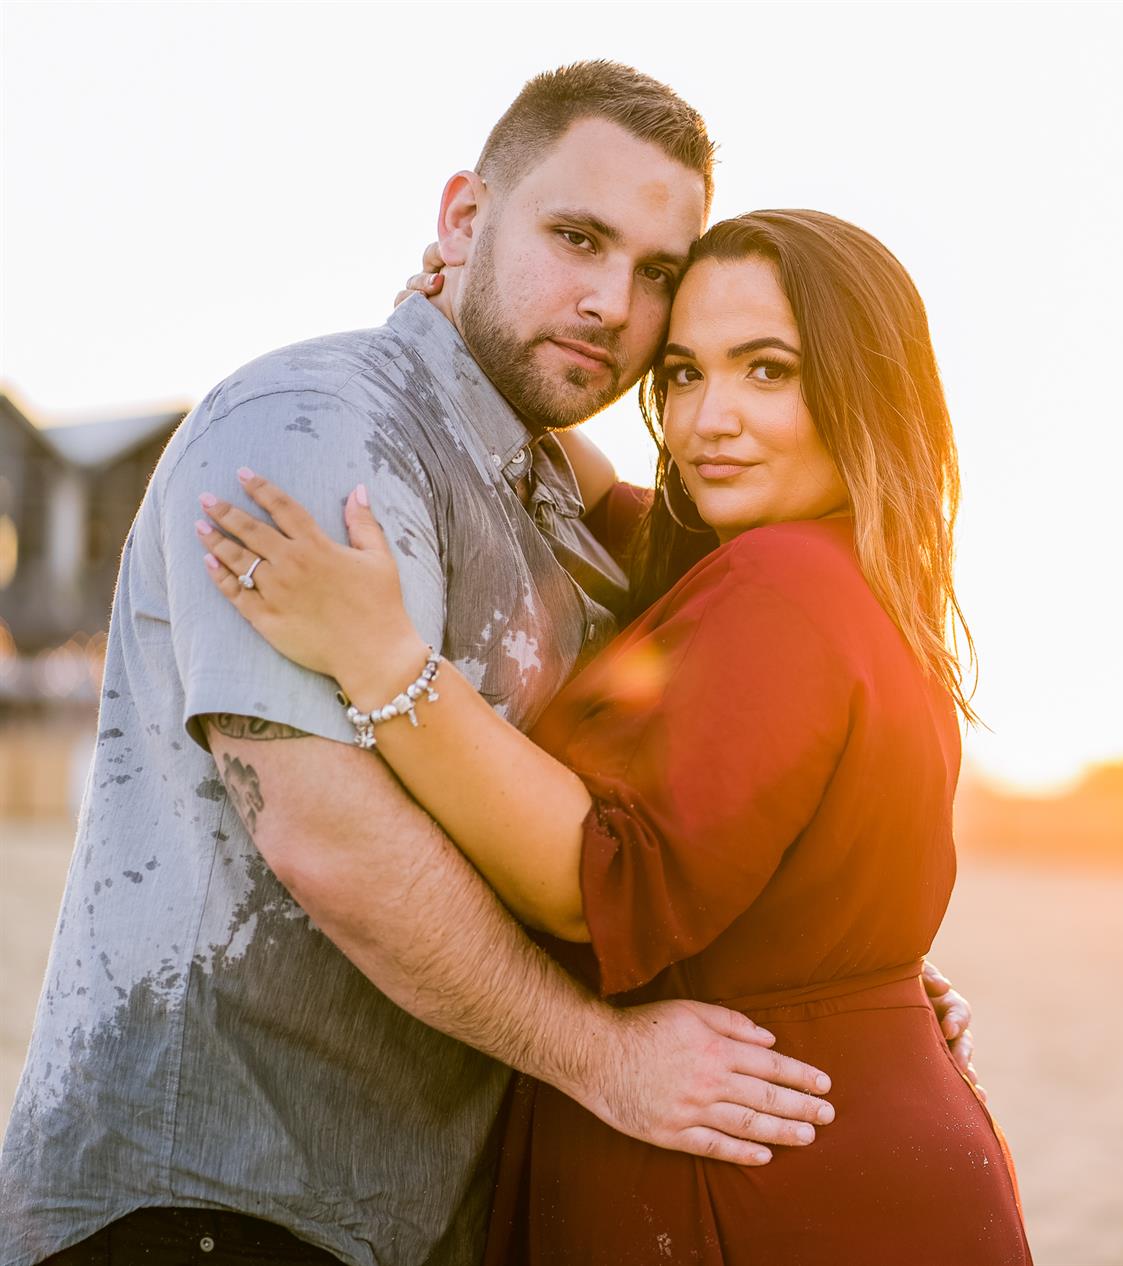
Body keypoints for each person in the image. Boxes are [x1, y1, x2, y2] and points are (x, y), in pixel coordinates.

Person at [1, 63, 973, 1266]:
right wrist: (603, 1057)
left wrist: (838, 962)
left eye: (655, 275)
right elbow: (326, 837)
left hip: (408, 1213)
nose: (611, 304)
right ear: (464, 217)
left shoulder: (563, 496)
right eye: (577, 239)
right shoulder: (314, 429)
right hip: (222, 1196)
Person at [196, 208, 1032, 1264]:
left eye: (767, 370)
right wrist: (456, 338)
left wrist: (380, 660)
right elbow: (593, 493)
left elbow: (599, 884)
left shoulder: (777, 587)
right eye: (682, 374)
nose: (707, 421)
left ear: (864, 385)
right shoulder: (835, 572)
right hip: (845, 1132)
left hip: (747, 1163)